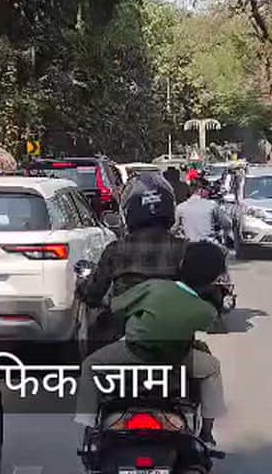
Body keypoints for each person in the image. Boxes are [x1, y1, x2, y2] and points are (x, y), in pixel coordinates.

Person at [75, 241, 228, 445]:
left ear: (181, 264)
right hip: (176, 360)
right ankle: (207, 433)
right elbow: (215, 326)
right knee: (212, 367)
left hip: (133, 354)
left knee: (89, 366)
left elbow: (116, 307)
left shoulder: (154, 287)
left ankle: (90, 425)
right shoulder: (206, 310)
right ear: (216, 278)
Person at [81, 173, 189, 345]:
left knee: (89, 367)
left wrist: (82, 285)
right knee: (209, 368)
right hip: (174, 340)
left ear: (129, 212)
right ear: (169, 208)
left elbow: (93, 294)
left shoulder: (115, 250)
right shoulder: (186, 249)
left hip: (128, 341)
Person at [176, 179, 227, 246]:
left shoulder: (180, 207)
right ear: (200, 190)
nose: (209, 192)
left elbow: (174, 229)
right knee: (226, 253)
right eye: (208, 190)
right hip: (209, 245)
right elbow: (226, 224)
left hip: (189, 246)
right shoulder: (212, 205)